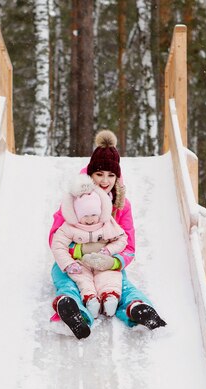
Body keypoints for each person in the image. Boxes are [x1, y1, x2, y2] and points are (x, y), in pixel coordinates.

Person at [49, 130, 167, 339]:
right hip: (75, 260)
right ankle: (73, 311)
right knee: (67, 279)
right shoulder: (75, 199)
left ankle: (137, 308)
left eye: (111, 175)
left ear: (117, 177)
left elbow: (128, 245)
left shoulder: (121, 206)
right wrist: (78, 250)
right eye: (100, 174)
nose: (105, 180)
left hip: (107, 259)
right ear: (90, 175)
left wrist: (112, 262)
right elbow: (55, 236)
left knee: (119, 284)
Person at [51, 174, 127, 319]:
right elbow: (58, 245)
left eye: (94, 214)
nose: (91, 220)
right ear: (77, 214)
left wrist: (109, 250)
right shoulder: (70, 227)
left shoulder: (106, 224)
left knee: (110, 275)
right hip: (81, 263)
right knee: (81, 278)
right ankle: (91, 299)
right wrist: (69, 264)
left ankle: (109, 296)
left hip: (101, 260)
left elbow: (122, 239)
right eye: (85, 215)